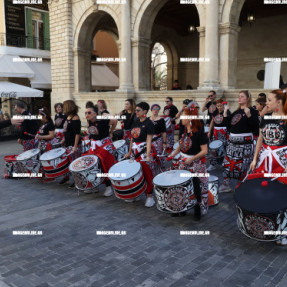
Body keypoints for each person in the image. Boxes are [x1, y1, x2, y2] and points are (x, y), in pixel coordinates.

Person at [250, 89, 287, 246]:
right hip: (265, 161)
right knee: (265, 193)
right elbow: (260, 140)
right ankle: (266, 226)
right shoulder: (265, 118)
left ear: (279, 102)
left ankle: (282, 232)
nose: (267, 103)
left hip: (282, 162)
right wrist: (254, 159)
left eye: (270, 100)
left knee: (281, 196)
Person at [168, 102, 209, 220]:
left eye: (184, 116)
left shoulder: (199, 132)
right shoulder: (185, 130)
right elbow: (181, 145)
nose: (181, 118)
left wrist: (191, 159)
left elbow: (204, 151)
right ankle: (181, 207)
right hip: (183, 163)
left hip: (195, 164)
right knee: (181, 186)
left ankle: (197, 209)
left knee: (196, 186)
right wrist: (173, 154)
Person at [220, 90, 259, 192]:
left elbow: (255, 126)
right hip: (232, 144)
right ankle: (225, 185)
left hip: (244, 144)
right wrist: (225, 113)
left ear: (247, 99)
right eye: (239, 96)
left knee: (242, 165)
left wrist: (249, 115)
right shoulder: (236, 112)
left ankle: (242, 187)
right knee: (227, 164)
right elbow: (228, 125)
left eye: (242, 96)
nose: (239, 98)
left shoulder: (252, 111)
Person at [124, 102, 156, 207]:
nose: (136, 112)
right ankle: (135, 194)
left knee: (147, 173)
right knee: (134, 173)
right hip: (134, 151)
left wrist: (147, 155)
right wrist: (129, 152)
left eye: (138, 110)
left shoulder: (149, 123)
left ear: (145, 111)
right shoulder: (136, 122)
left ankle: (150, 196)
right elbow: (132, 138)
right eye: (136, 110)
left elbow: (149, 140)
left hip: (143, 150)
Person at [84, 105, 114, 196]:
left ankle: (108, 187)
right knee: (91, 164)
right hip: (94, 145)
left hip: (104, 144)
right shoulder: (89, 121)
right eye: (86, 113)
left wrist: (111, 132)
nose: (87, 114)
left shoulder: (103, 119)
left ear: (95, 114)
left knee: (103, 163)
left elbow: (115, 121)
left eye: (89, 113)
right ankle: (94, 184)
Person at [59, 100, 82, 188]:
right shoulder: (67, 117)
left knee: (75, 163)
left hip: (73, 144)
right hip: (68, 143)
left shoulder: (75, 118)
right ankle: (70, 178)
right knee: (69, 162)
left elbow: (77, 133)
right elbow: (67, 131)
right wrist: (64, 139)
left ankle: (78, 180)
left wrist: (75, 146)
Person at [207, 99, 230, 171]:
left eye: (220, 106)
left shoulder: (227, 112)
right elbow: (212, 121)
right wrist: (209, 131)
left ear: (223, 105)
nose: (219, 107)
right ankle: (213, 164)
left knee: (225, 148)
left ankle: (225, 164)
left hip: (224, 131)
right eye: (218, 106)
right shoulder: (214, 112)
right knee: (214, 148)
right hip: (216, 131)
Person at [149, 104, 167, 172]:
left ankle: (162, 170)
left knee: (159, 155)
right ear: (151, 110)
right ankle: (152, 170)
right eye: (154, 109)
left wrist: (164, 142)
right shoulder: (148, 119)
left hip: (158, 140)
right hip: (149, 140)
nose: (155, 110)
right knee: (150, 154)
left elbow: (163, 132)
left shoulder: (161, 120)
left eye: (157, 109)